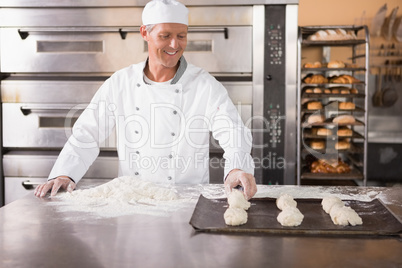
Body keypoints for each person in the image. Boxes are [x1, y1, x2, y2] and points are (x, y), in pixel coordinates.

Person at [34, 0, 257, 200]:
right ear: (144, 33)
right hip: (132, 201)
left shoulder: (204, 85)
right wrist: (65, 173)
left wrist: (236, 168)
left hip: (186, 203)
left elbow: (233, 131)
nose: (174, 45)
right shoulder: (121, 82)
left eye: (181, 36)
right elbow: (87, 133)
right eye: (165, 36)